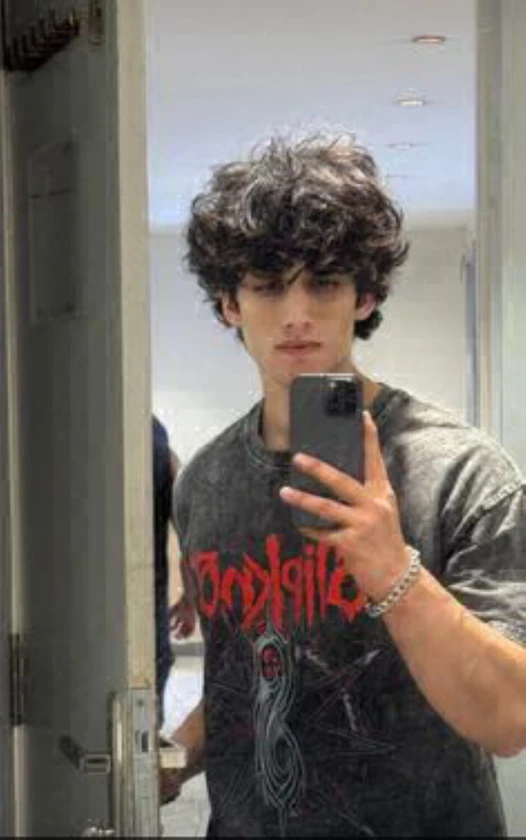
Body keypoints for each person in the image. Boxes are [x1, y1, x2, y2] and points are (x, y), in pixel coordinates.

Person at [167, 135, 526, 837]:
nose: (296, 313)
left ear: (365, 296)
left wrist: (392, 569)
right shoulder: (205, 482)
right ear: (229, 303)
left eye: (324, 283)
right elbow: (250, 672)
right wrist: (174, 755)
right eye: (268, 285)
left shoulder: (460, 472)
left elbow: (508, 718)